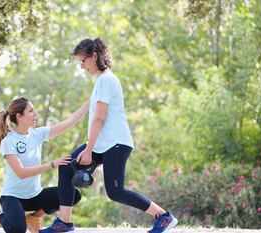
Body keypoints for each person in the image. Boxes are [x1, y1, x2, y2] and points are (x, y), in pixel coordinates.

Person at [40, 38, 178, 233]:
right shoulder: (101, 81)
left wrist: (88, 151)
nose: (81, 66)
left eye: (82, 61)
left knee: (115, 192)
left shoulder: (106, 80)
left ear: (94, 56)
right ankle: (64, 223)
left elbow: (99, 119)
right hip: (102, 144)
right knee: (66, 167)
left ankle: (163, 217)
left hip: (116, 144)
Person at [0, 97, 89, 233]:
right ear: (19, 116)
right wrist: (52, 164)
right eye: (31, 111)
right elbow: (21, 173)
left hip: (35, 195)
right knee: (18, 230)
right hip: (13, 197)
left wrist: (90, 102)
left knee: (74, 195)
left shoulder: (37, 134)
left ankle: (33, 218)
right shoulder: (8, 142)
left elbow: (69, 121)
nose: (35, 114)